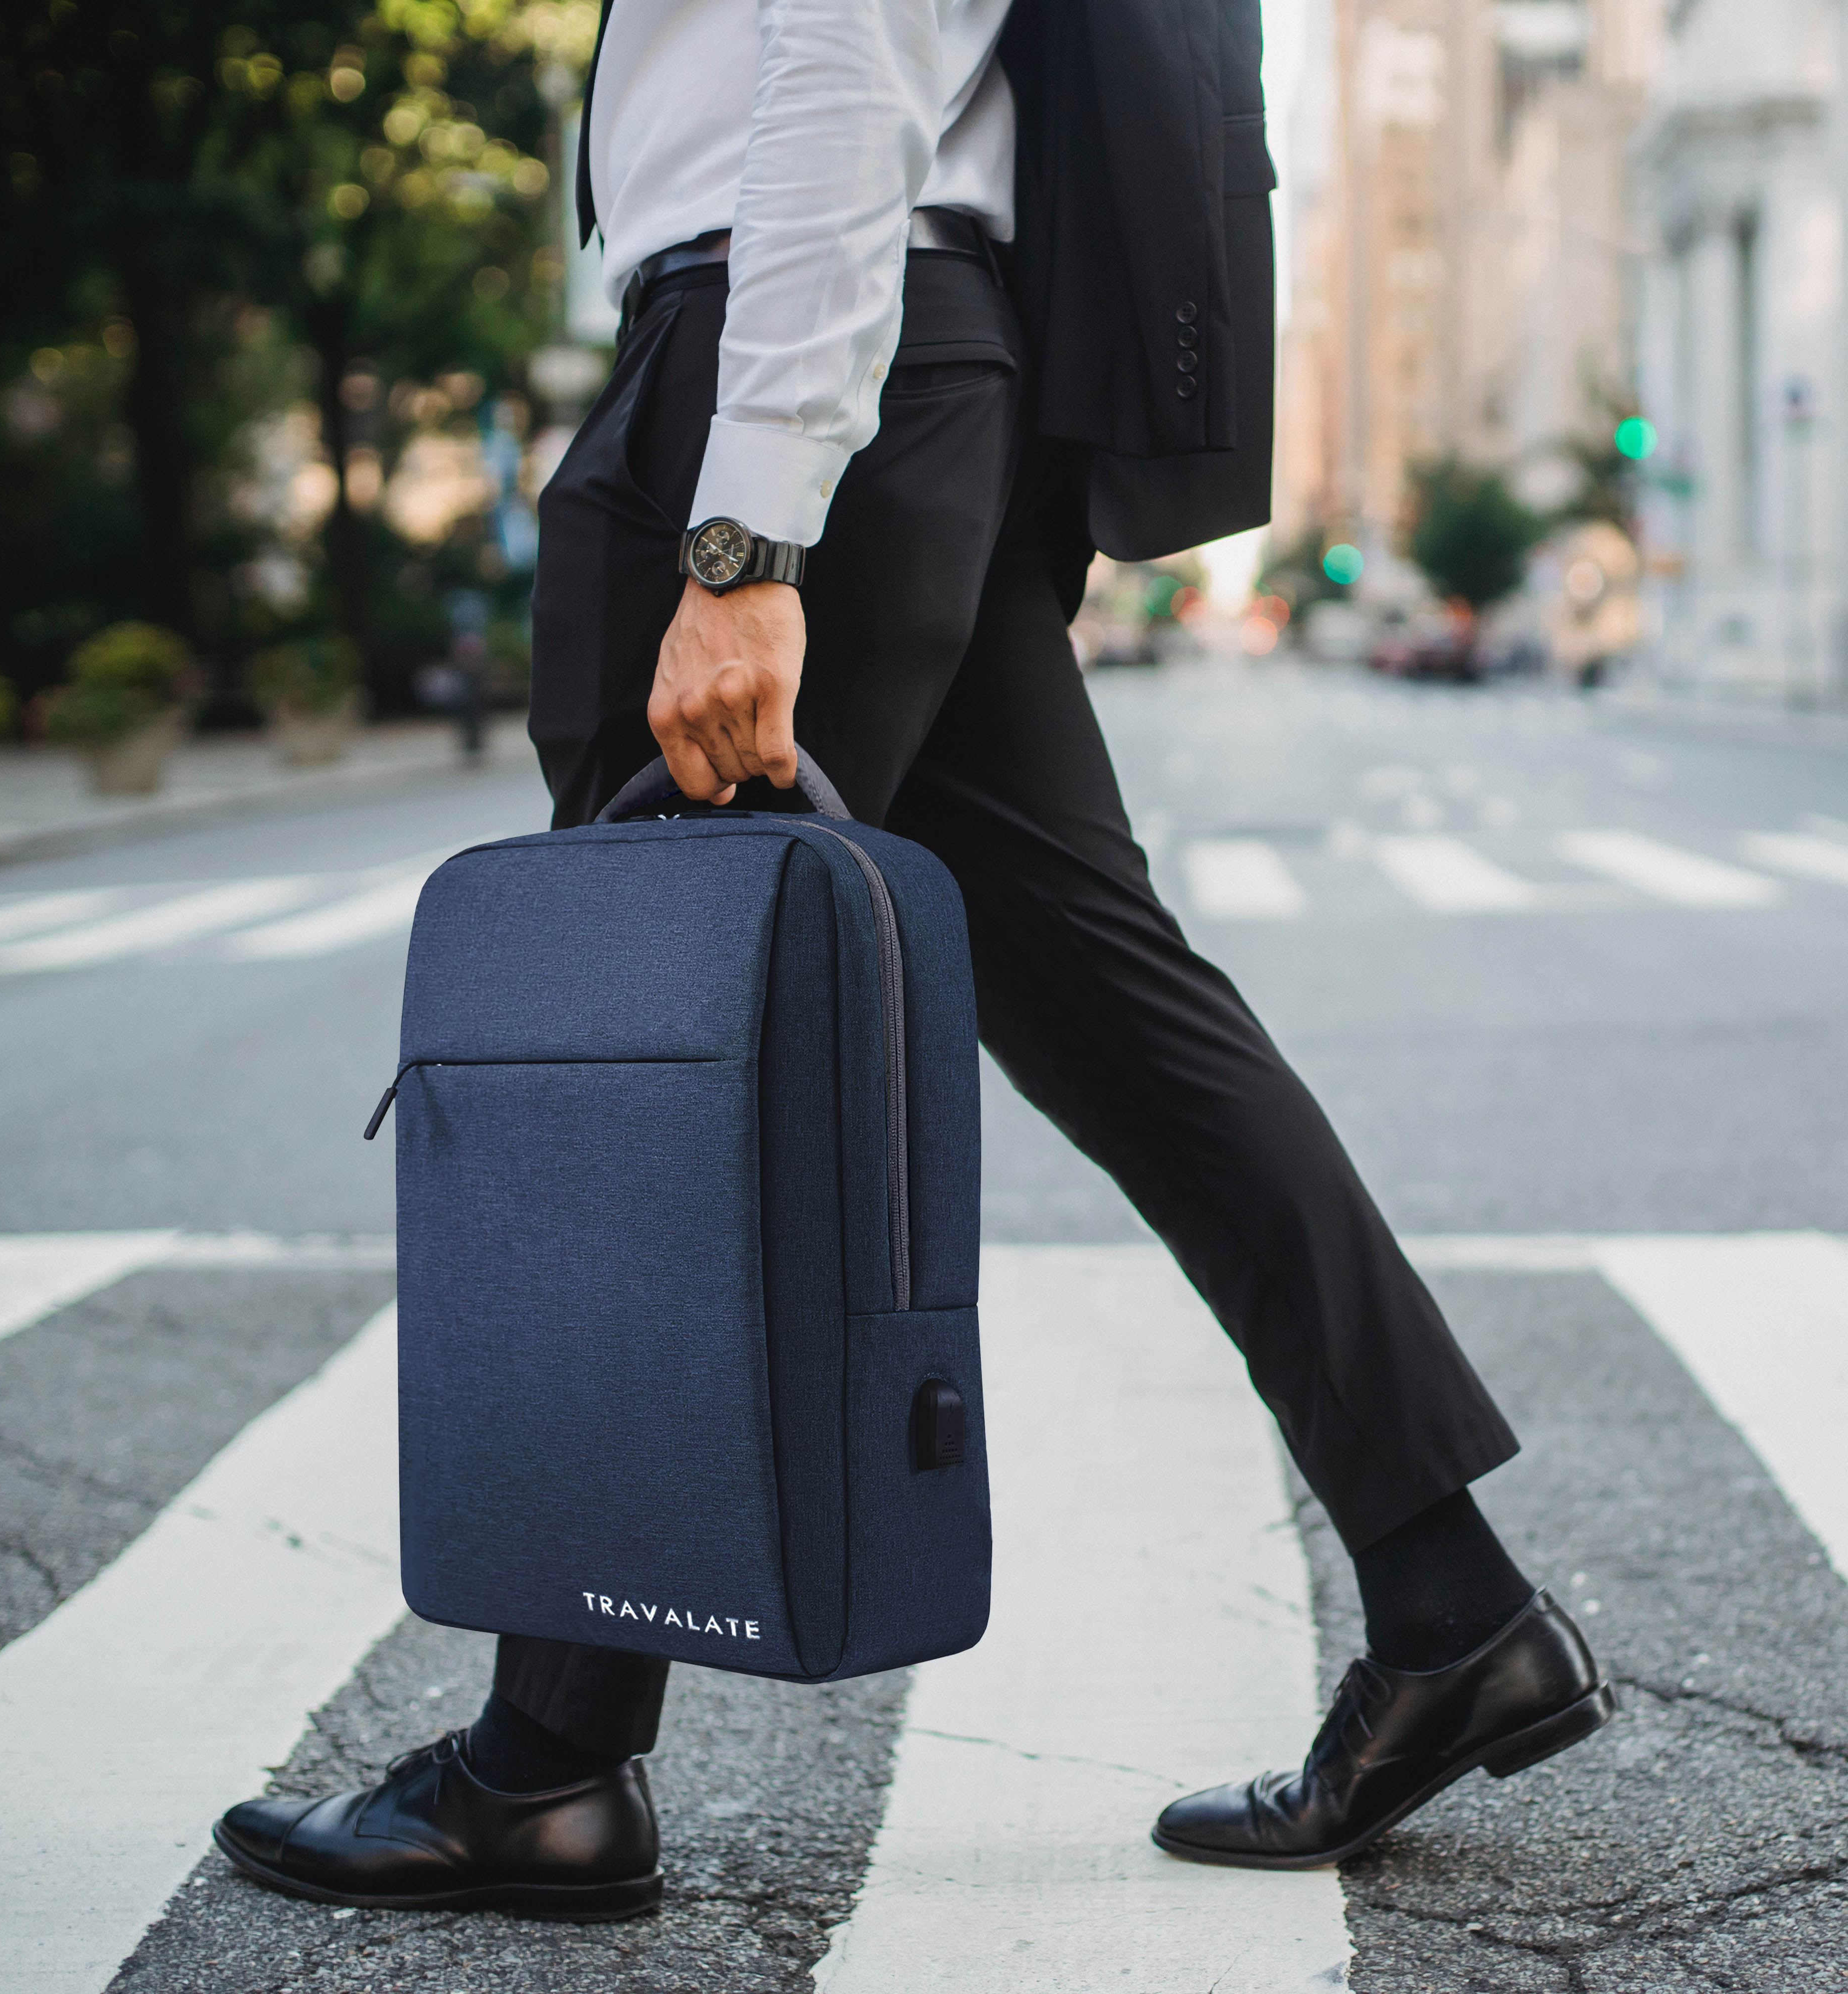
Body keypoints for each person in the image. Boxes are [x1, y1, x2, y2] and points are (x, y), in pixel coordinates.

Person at [213, 0, 1613, 1917]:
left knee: (643, 1034)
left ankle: (541, 1764)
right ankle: (1452, 1609)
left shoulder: (769, 447)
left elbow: (842, 64)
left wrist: (742, 536)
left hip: (795, 362)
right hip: (910, 357)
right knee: (1111, 1008)